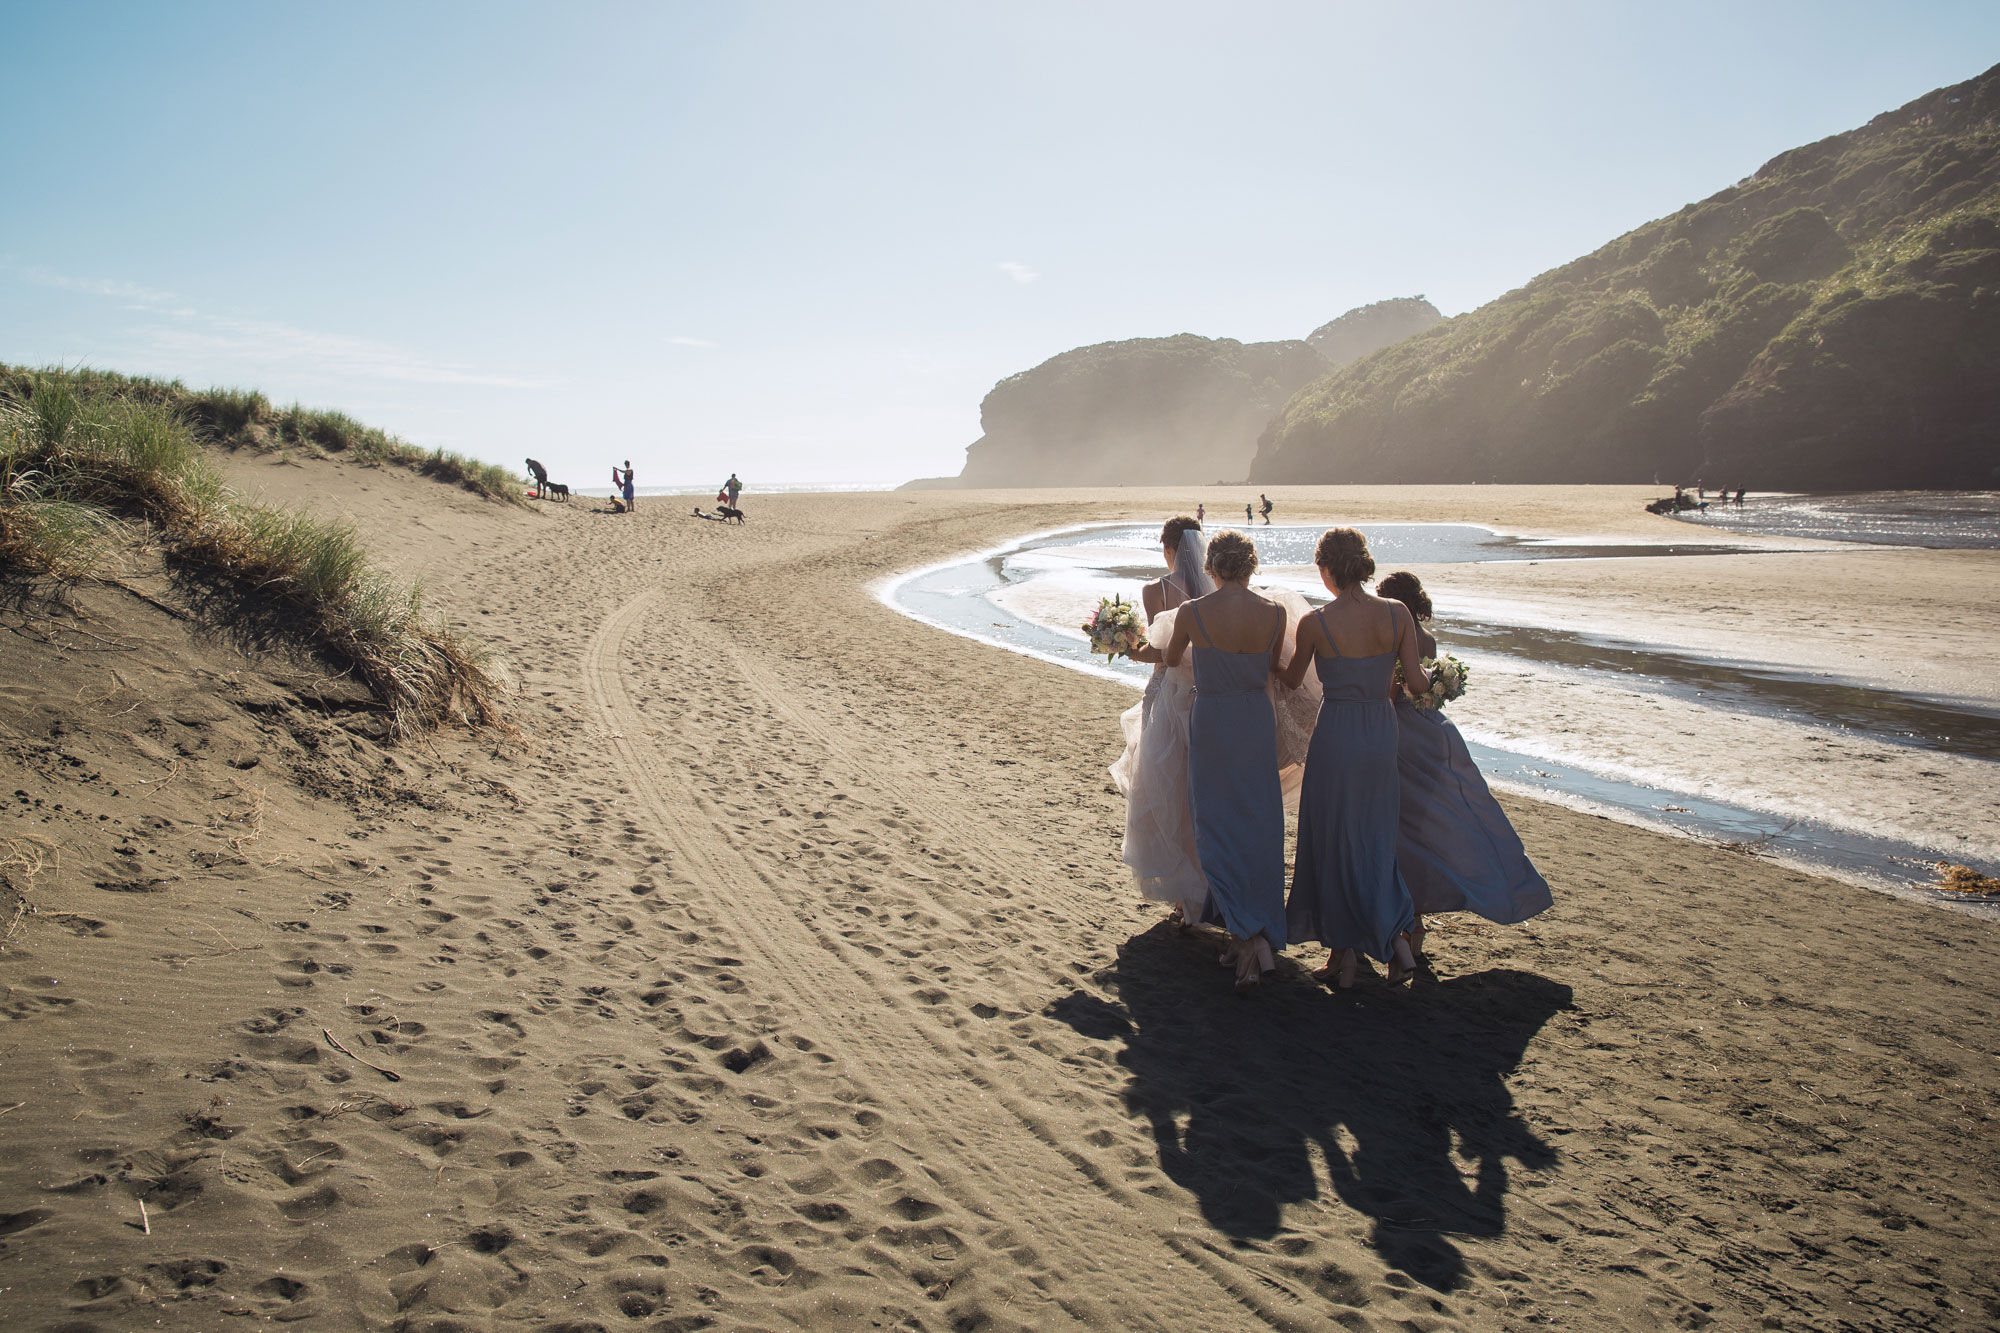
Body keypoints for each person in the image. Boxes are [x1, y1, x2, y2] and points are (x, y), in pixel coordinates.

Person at [1376, 572, 1552, 960]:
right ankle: (1416, 919)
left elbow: (1390, 691)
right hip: (1432, 733)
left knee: (1399, 828)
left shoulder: (1392, 631)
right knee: (1428, 824)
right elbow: (1429, 695)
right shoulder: (1429, 639)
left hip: (1399, 733)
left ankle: (1408, 919)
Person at [1279, 528, 1427, 989]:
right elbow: (1418, 684)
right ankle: (1347, 954)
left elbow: (1290, 681)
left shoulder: (1315, 623)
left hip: (1337, 733)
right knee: (1372, 840)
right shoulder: (1398, 612)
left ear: (1326, 569)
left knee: (1332, 840)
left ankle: (1381, 947)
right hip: (1380, 733)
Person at [1163, 530, 1288, 994]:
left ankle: (1247, 935)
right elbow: (1273, 668)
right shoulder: (1273, 613)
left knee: (1214, 823)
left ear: (1212, 566)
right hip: (1255, 719)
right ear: (1250, 566)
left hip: (1213, 718)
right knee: (1257, 823)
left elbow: (1174, 658)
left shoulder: (1193, 612)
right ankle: (1249, 934)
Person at [1109, 517, 1213, 927]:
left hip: (1168, 694)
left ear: (1169, 548)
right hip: (1204, 693)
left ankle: (1183, 895)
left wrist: (1126, 647)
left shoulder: (1157, 590)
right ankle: (1202, 889)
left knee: (1163, 789)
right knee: (1196, 790)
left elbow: (1162, 650)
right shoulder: (1213, 588)